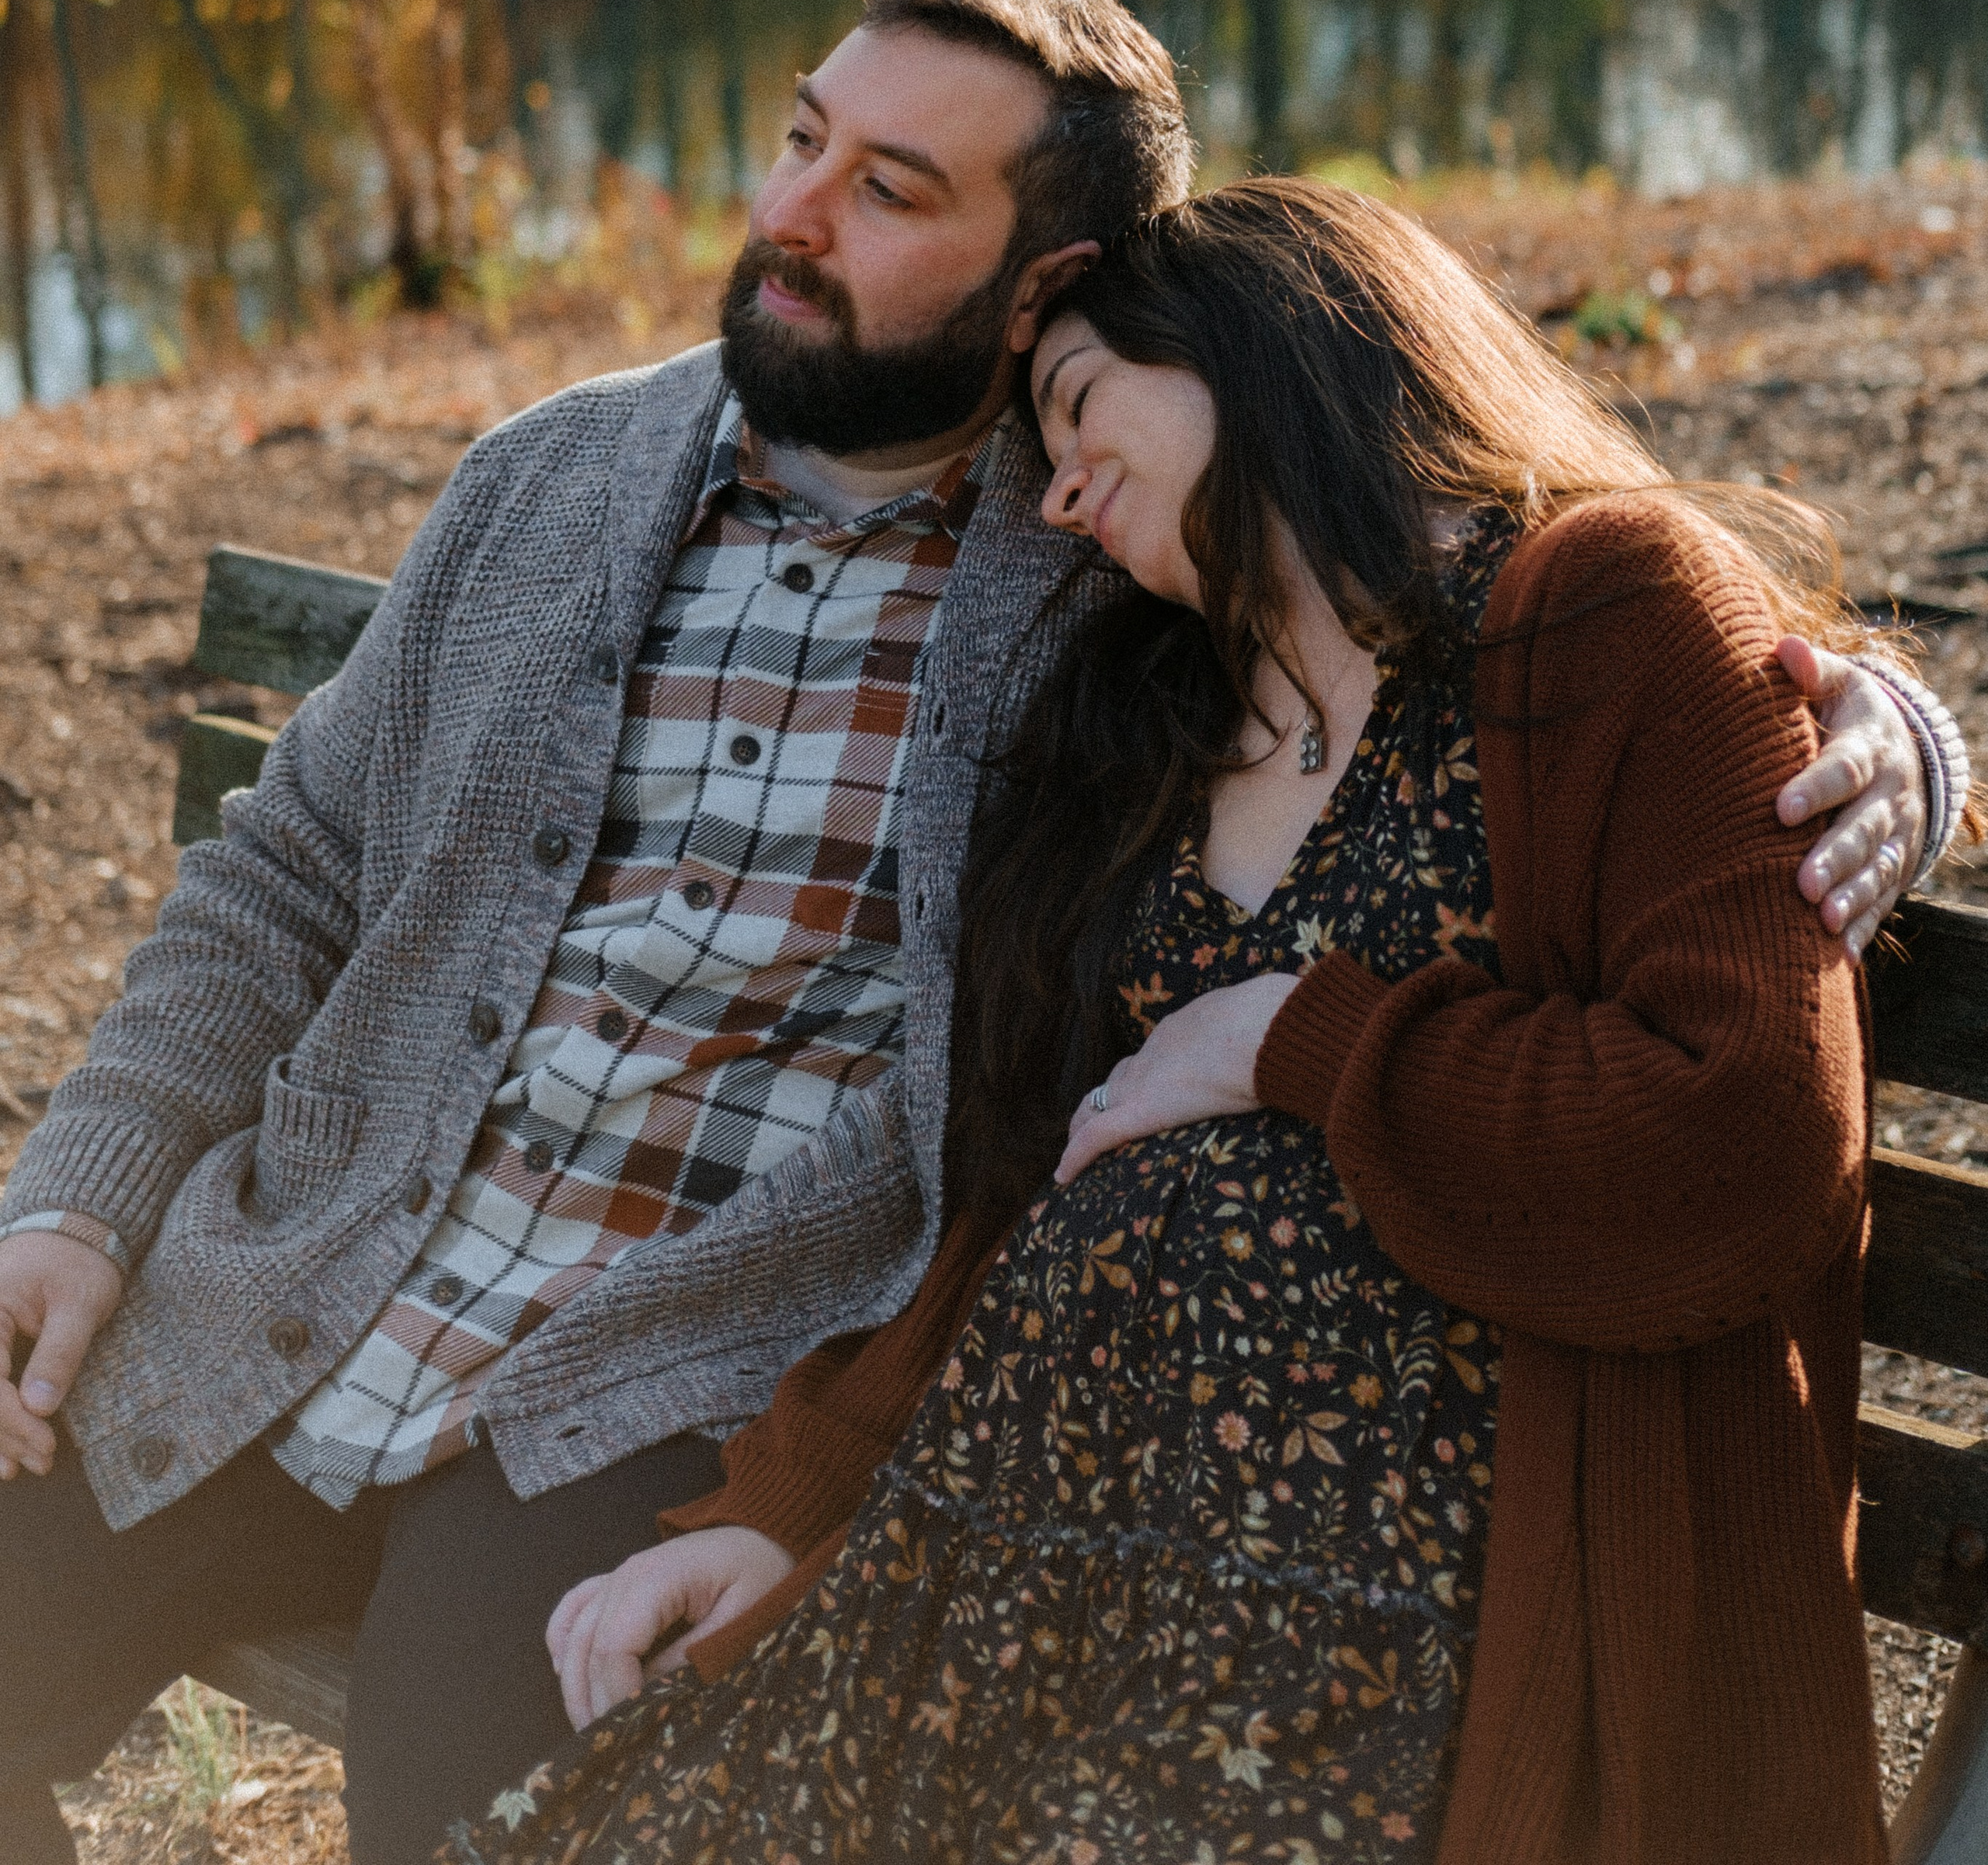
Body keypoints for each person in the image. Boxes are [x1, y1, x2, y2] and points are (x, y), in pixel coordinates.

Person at [0, 0, 1955, 1865]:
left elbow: (1488, 566)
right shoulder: (552, 480)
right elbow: (283, 869)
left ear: (1051, 291)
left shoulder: (1123, 577)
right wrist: (86, 1190)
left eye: (887, 191)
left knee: (516, 1804)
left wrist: (1884, 728)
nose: (789, 215)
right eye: (800, 139)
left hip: (667, 1374)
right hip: (308, 1285)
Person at [450, 176, 1927, 1865]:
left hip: (1364, 1625)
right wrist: (794, 1507)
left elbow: (1742, 1138)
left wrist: (1293, 1040)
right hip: (1025, 1567)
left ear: (1265, 343)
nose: (1064, 491)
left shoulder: (1601, 607)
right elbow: (1023, 1196)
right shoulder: (1156, 721)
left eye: (1081, 407)